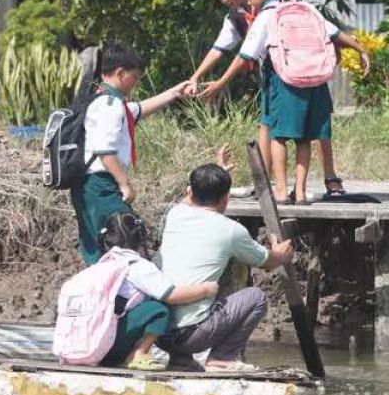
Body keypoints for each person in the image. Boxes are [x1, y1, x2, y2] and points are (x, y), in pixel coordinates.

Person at [197, 0, 372, 202]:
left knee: (278, 136)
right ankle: (297, 191)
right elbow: (331, 31)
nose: (247, 2)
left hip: (283, 79)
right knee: (305, 137)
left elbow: (244, 55)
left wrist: (220, 82)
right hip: (313, 78)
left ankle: (279, 190)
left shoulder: (266, 16)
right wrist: (360, 48)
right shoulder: (301, 7)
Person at [156, 162, 295, 372]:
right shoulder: (231, 231)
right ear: (226, 198)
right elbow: (269, 261)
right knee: (256, 297)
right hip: (193, 336)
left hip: (158, 332)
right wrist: (282, 253)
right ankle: (221, 357)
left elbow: (193, 193)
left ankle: (180, 359)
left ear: (191, 192)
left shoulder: (175, 213)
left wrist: (215, 172)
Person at [71, 42, 187, 264]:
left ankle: (103, 292)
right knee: (122, 237)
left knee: (98, 242)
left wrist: (175, 92)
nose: (136, 83)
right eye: (135, 77)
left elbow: (139, 109)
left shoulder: (103, 100)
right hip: (100, 184)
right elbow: (105, 151)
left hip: (90, 185)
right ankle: (115, 294)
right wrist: (125, 184)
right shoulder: (109, 105)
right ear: (121, 73)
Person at [96, 213, 220, 371]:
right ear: (140, 240)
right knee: (159, 308)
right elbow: (172, 296)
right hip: (111, 349)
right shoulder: (137, 265)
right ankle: (138, 353)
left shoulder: (100, 265)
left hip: (92, 346)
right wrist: (205, 289)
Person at [185, 0, 273, 173]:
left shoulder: (270, 6)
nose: (225, 0)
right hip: (267, 76)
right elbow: (218, 49)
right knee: (267, 124)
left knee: (303, 129)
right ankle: (266, 180)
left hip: (289, 70)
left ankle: (329, 176)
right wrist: (195, 77)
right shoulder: (235, 18)